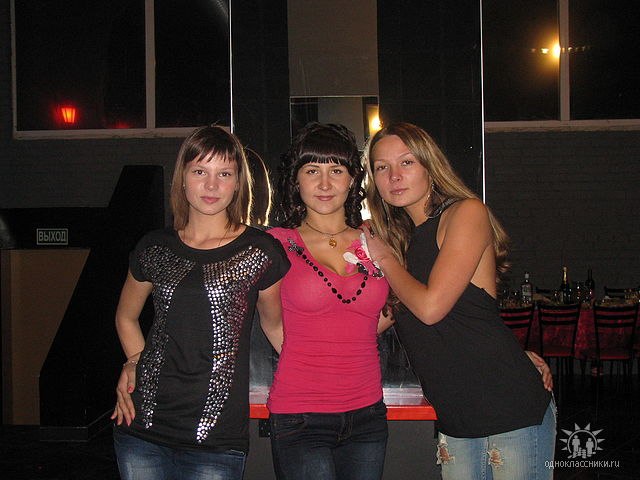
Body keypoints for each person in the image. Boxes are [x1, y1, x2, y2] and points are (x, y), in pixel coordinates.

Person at [363, 122, 555, 480]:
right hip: (456, 419)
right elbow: (371, 323)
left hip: (509, 408)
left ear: (430, 165)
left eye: (406, 162)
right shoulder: (400, 243)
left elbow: (431, 308)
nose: (394, 176)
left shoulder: (465, 212)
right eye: (381, 167)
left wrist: (384, 258)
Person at [110, 125, 290, 480]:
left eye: (224, 174)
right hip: (141, 427)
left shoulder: (260, 251)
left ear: (238, 183)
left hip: (217, 440)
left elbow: (276, 328)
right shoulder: (154, 247)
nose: (211, 185)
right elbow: (126, 317)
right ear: (183, 178)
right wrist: (134, 361)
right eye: (200, 172)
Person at [267, 122, 391, 480]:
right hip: (300, 416)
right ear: (296, 180)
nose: (324, 184)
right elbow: (269, 322)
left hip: (368, 414)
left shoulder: (376, 240)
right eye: (312, 171)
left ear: (352, 180)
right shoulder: (276, 244)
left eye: (336, 171)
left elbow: (394, 310)